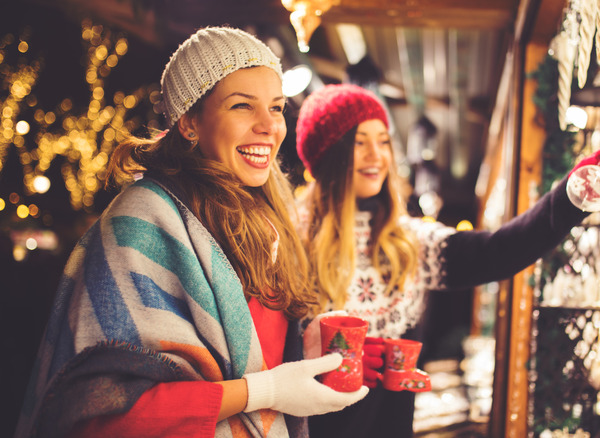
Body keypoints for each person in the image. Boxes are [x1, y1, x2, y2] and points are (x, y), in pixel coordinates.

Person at [14, 27, 367, 438]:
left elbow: (258, 351)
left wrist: (305, 349)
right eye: (241, 106)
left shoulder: (268, 217)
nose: (269, 126)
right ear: (189, 122)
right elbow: (103, 415)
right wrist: (266, 390)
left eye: (276, 107)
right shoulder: (142, 222)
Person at [294, 83, 600, 438]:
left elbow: (497, 252)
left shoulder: (408, 240)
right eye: (358, 141)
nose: (376, 155)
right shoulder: (290, 239)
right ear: (326, 154)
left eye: (383, 141)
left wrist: (569, 198)